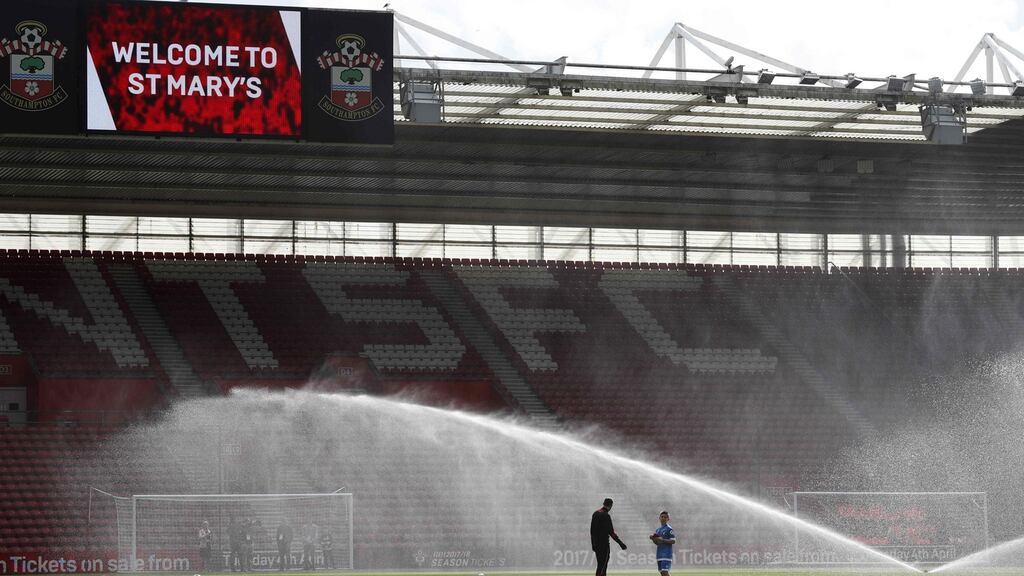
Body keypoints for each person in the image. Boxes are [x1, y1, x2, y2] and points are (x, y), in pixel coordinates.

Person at [590, 498, 627, 576]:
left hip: (596, 544)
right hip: (604, 545)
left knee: (600, 565)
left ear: (603, 503)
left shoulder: (595, 513)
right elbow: (611, 532)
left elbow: (592, 531)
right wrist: (620, 543)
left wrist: (593, 544)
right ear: (610, 506)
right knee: (603, 566)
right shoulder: (605, 515)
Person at [649, 510, 676, 576]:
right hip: (659, 554)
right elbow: (657, 543)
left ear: (668, 519)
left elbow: (673, 541)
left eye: (665, 517)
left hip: (666, 554)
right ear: (659, 518)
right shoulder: (658, 530)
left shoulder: (669, 529)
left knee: (665, 572)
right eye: (662, 517)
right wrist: (653, 539)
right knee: (662, 573)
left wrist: (662, 540)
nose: (663, 518)